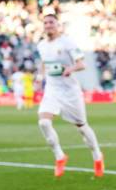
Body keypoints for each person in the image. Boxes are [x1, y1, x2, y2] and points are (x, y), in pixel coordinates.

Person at [37, 14, 105, 178]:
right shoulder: (41, 45)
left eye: (51, 22)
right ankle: (59, 156)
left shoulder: (67, 43)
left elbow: (82, 64)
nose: (48, 25)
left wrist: (70, 69)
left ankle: (97, 155)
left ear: (57, 25)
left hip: (70, 91)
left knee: (82, 126)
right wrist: (40, 78)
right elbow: (44, 63)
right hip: (52, 89)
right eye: (45, 23)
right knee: (44, 122)